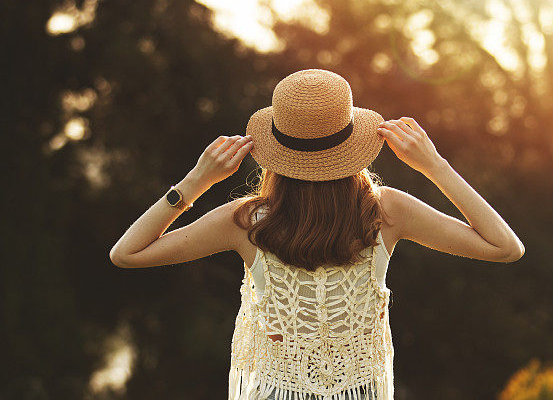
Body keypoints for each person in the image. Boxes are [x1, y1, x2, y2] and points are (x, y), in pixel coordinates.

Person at [109, 68, 525, 399]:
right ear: (353, 142)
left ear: (274, 147)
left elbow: (126, 254)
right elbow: (505, 248)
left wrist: (196, 181)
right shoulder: (386, 212)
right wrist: (435, 166)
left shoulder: (246, 222)